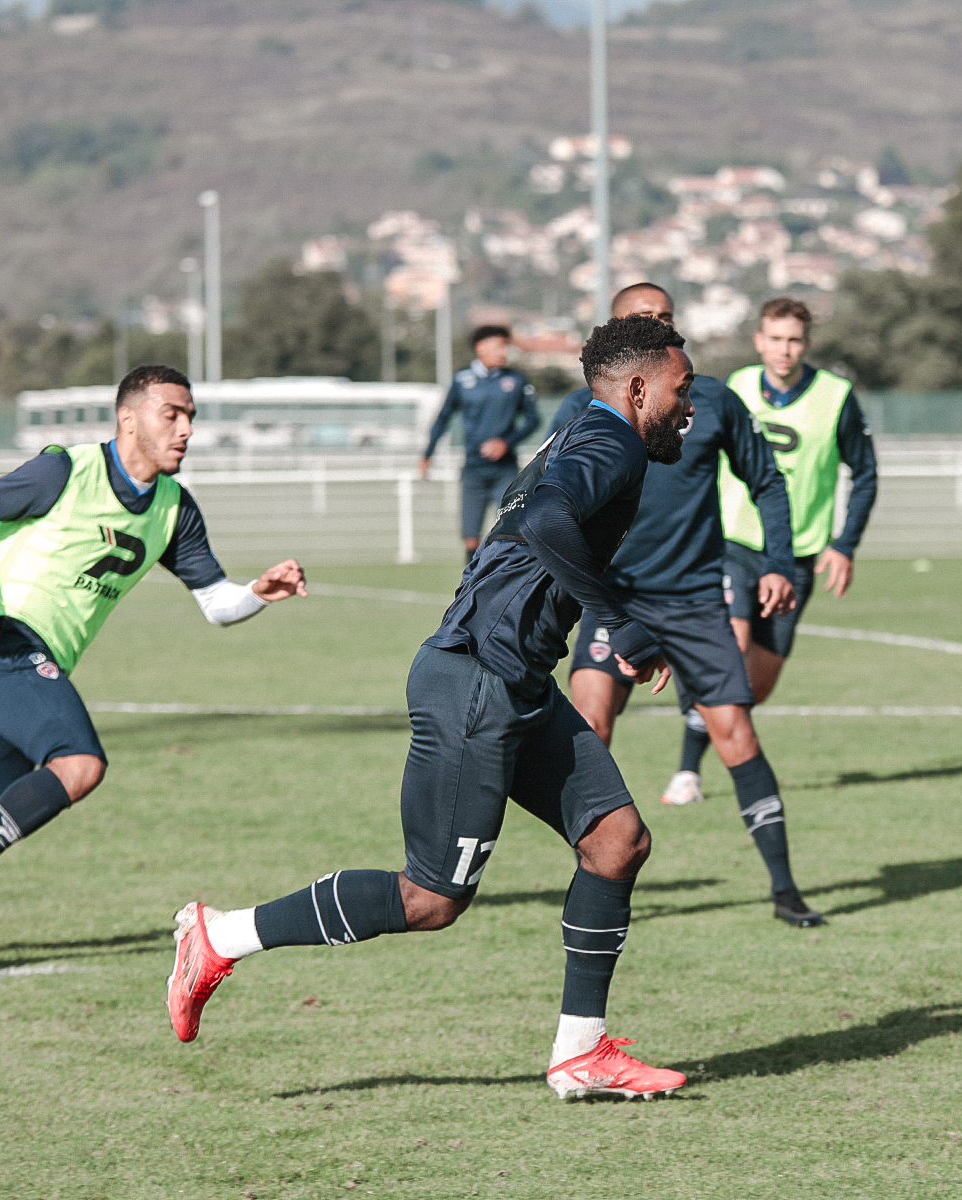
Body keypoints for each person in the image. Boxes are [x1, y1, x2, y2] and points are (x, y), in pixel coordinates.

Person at [167, 315, 696, 1102]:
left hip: (512, 680)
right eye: (683, 391)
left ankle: (579, 1055)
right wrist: (617, 614)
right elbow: (548, 519)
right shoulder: (613, 441)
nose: (691, 407)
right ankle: (221, 937)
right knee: (431, 899)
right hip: (478, 681)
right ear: (639, 387)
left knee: (616, 841)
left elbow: (531, 530)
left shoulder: (582, 433)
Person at [0, 365, 306, 969]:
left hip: (26, 661)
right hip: (1, 641)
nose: (185, 430)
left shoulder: (175, 509)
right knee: (79, 764)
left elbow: (215, 604)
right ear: (129, 419)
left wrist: (258, 591)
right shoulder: (66, 471)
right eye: (171, 415)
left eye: (190, 418)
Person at [546, 284, 822, 929]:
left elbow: (768, 481)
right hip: (616, 600)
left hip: (697, 598)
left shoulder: (711, 400)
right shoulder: (580, 410)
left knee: (736, 734)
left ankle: (784, 890)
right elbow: (548, 504)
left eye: (664, 318)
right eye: (639, 319)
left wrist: (780, 562)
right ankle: (594, 883)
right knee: (590, 725)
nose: (655, 326)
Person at [677, 296, 876, 781]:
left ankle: (709, 746)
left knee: (754, 688)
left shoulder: (835, 396)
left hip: (796, 555)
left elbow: (866, 473)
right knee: (729, 649)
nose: (784, 350)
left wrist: (844, 544)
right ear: (759, 341)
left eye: (794, 340)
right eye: (775, 339)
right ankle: (687, 774)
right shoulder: (736, 388)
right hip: (733, 544)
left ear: (806, 344)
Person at [418, 325, 540, 566]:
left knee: (514, 529)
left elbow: (533, 420)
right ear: (480, 347)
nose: (503, 352)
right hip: (473, 469)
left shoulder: (515, 380)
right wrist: (427, 455)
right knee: (470, 538)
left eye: (506, 346)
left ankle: (508, 585)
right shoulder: (462, 379)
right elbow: (443, 417)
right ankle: (470, 587)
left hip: (505, 470)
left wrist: (506, 442)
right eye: (498, 346)